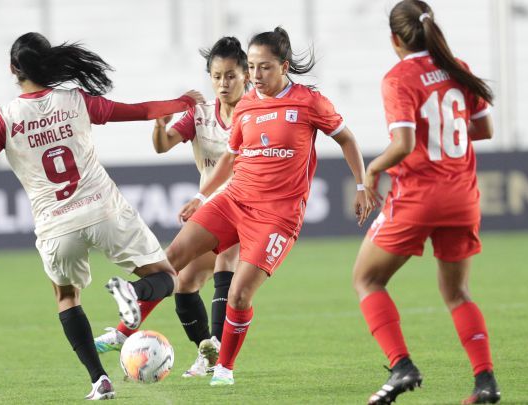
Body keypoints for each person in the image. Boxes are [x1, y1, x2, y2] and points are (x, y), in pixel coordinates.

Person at [0, 32, 204, 401]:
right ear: (48, 62)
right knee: (164, 276)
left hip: (56, 225)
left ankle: (99, 381)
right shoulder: (75, 101)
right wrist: (181, 102)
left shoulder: (4, 119)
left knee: (67, 298)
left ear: (13, 69)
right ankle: (132, 291)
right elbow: (140, 111)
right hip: (104, 210)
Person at [148, 26, 371, 386]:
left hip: (268, 212)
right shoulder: (219, 112)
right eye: (248, 69)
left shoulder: (302, 101)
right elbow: (222, 157)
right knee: (184, 279)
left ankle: (222, 361)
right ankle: (197, 347)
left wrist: (362, 183)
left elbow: (344, 136)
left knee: (232, 280)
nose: (249, 77)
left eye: (254, 69)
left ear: (282, 66)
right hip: (226, 200)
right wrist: (203, 195)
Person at [352, 1, 500, 404]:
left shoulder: (399, 77)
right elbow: (483, 128)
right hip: (462, 197)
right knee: (458, 293)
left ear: (395, 39)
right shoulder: (458, 67)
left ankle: (401, 366)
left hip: (419, 196)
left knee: (367, 279)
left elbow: (402, 145)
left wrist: (370, 171)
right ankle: (485, 381)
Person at [92, 37, 247, 379]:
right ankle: (207, 352)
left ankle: (219, 363)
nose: (224, 83)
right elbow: (163, 147)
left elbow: (236, 169)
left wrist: (204, 198)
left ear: (246, 75)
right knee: (184, 282)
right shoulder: (201, 114)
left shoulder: (253, 114)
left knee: (226, 266)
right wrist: (160, 126)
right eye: (217, 76)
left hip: (243, 207)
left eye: (231, 75)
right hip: (211, 210)